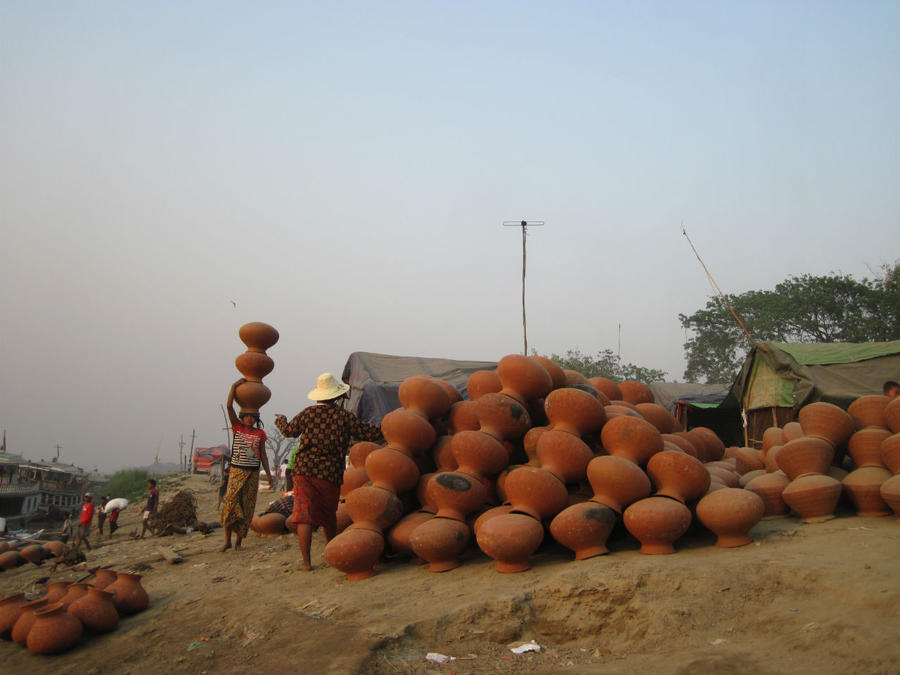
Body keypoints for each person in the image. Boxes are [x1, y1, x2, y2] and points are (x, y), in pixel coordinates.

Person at [275, 372, 383, 571]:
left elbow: (289, 431)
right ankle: (331, 554)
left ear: (319, 396)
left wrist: (281, 420)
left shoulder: (307, 413)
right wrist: (386, 425)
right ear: (337, 397)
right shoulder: (343, 417)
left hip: (304, 470)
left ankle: (306, 563)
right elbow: (369, 433)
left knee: (303, 515)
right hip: (330, 473)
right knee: (328, 515)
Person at [221, 378, 273, 551]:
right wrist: (233, 387)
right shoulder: (237, 428)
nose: (249, 419)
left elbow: (263, 455)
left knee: (247, 507)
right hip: (236, 471)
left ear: (256, 418)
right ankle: (227, 541)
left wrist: (269, 475)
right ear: (242, 417)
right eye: (247, 416)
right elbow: (229, 407)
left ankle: (238, 543)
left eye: (253, 417)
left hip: (252, 473)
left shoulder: (260, 434)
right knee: (230, 506)